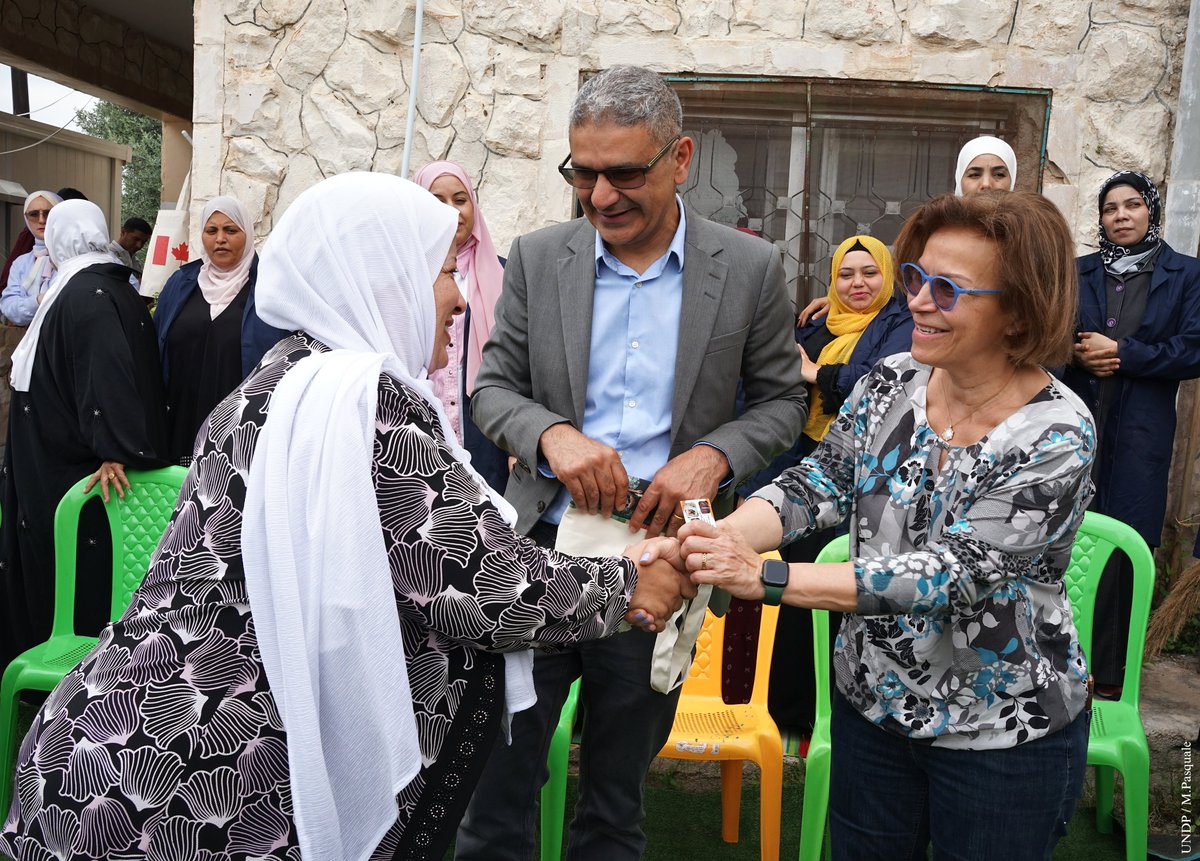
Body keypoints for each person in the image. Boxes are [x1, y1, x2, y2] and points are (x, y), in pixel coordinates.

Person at [0, 173, 695, 861]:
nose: (457, 299)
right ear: (382, 280)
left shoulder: (275, 384)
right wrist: (632, 583)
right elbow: (485, 589)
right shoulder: (368, 411)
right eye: (441, 272)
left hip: (102, 741)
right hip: (197, 784)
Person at [672, 191, 1096, 860]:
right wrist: (730, 534)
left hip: (1001, 730)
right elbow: (821, 481)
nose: (917, 302)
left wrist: (766, 576)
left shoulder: (1057, 432)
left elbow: (951, 574)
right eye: (915, 278)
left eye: (947, 289)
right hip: (873, 707)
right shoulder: (892, 380)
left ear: (1018, 311)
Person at [455, 65, 807, 861]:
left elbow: (783, 404)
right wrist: (552, 436)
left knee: (615, 803)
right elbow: (493, 391)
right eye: (583, 173)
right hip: (538, 557)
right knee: (497, 791)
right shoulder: (539, 258)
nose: (601, 195)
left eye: (624, 173)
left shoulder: (746, 268)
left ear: (680, 160)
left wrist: (714, 456)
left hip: (661, 563)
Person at [742, 234, 912, 732]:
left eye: (870, 273)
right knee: (790, 593)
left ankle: (837, 714)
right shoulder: (819, 321)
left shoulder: (899, 323)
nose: (858, 284)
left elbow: (877, 381)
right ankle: (788, 711)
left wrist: (814, 372)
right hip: (803, 466)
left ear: (889, 276)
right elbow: (773, 370)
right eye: (845, 274)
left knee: (842, 587)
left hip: (867, 475)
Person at [0, 199, 167, 669]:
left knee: (66, 574)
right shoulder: (104, 283)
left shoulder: (83, 291)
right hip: (67, 449)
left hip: (68, 461)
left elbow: (106, 368)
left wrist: (115, 445)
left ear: (59, 236)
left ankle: (67, 675)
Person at [1061, 170, 1200, 697]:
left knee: (1127, 547)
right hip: (1078, 426)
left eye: (1132, 206)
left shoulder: (1186, 275)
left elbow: (1193, 349)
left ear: (1151, 212)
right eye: (1110, 208)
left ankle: (1112, 675)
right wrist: (1078, 353)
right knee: (1069, 539)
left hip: (1141, 434)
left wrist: (1124, 354)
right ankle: (1061, 662)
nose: (1121, 216)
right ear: (1100, 219)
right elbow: (1051, 331)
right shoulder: (1078, 273)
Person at [796, 134, 1020, 328]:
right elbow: (907, 301)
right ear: (959, 179)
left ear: (1012, 180)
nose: (987, 184)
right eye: (974, 174)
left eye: (999, 174)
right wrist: (841, 303)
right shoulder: (933, 234)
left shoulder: (1026, 239)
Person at [153, 196, 288, 464]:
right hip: (177, 424)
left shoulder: (268, 290)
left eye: (231, 230)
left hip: (241, 429)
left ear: (247, 235)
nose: (220, 239)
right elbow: (155, 350)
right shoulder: (180, 284)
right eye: (211, 231)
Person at [413, 160, 510, 491]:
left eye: (460, 199)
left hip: (486, 431)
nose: (451, 210)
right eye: (437, 200)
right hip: (421, 423)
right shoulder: (404, 276)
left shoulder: (507, 275)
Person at [1, 190, 63, 326]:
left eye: (48, 213)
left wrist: (25, 305)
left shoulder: (71, 258)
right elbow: (8, 306)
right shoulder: (20, 263)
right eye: (34, 214)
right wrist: (38, 301)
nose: (41, 220)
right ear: (26, 219)